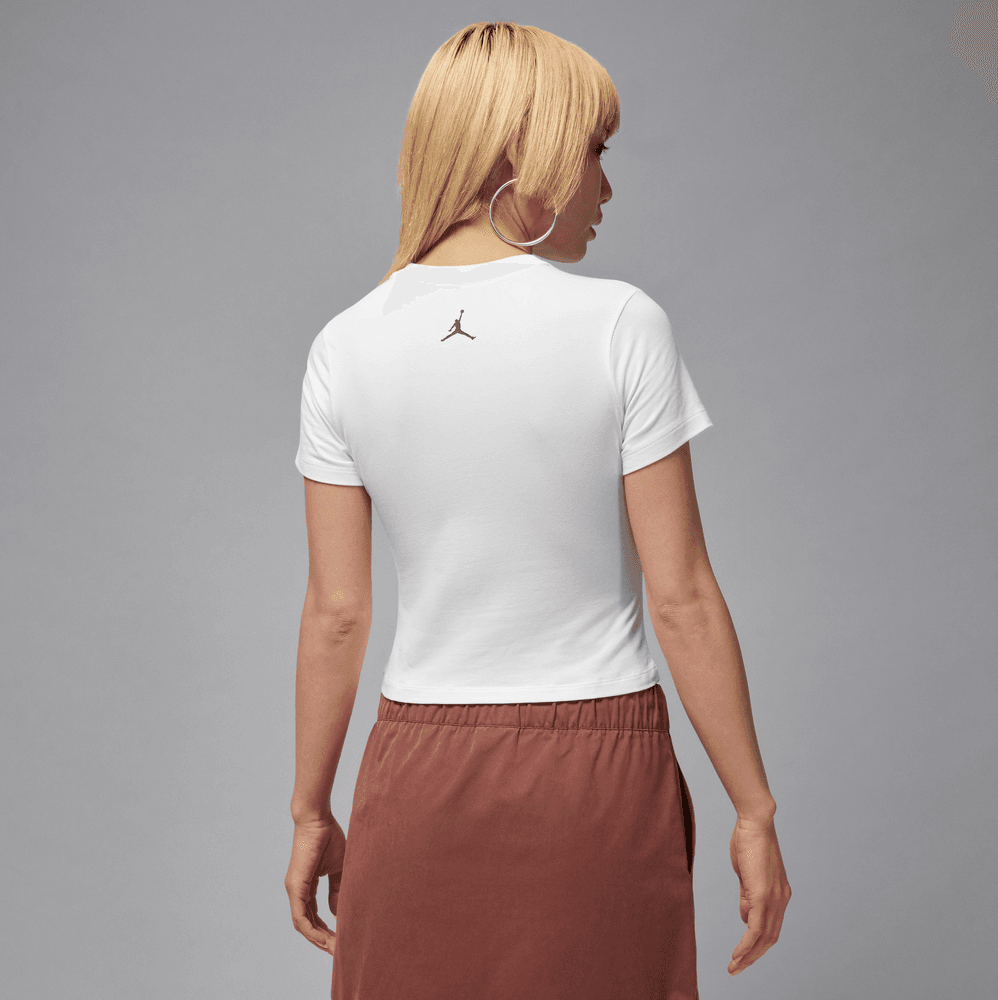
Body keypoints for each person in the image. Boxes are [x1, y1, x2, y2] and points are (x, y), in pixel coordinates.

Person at [285, 21, 790, 1000]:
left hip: (417, 771)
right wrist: (753, 807)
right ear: (527, 148)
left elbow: (337, 612)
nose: (607, 186)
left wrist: (310, 808)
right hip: (596, 770)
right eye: (594, 149)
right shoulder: (619, 325)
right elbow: (681, 595)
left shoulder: (344, 346)